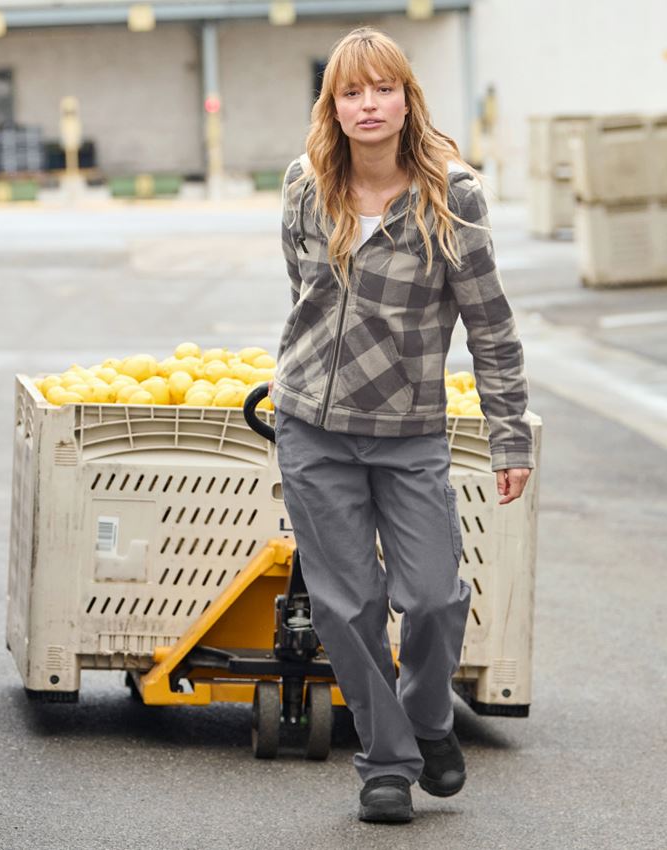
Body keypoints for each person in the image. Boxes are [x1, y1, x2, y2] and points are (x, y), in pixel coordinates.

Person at [267, 26, 533, 824]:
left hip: (410, 430)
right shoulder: (305, 186)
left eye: (383, 88)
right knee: (347, 607)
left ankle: (425, 717)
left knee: (433, 596)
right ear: (333, 107)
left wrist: (509, 434)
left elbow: (491, 327)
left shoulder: (453, 195)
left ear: (407, 99)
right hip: (312, 430)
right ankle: (385, 764)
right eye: (351, 92)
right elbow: (303, 295)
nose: (368, 105)